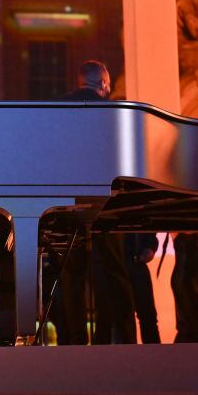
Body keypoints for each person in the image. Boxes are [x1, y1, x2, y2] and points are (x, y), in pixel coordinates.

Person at [58, 61, 136, 345]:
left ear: (80, 81)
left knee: (72, 273)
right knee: (113, 270)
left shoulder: (58, 108)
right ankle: (118, 339)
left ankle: (74, 341)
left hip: (69, 201)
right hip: (106, 198)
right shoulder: (113, 111)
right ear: (104, 84)